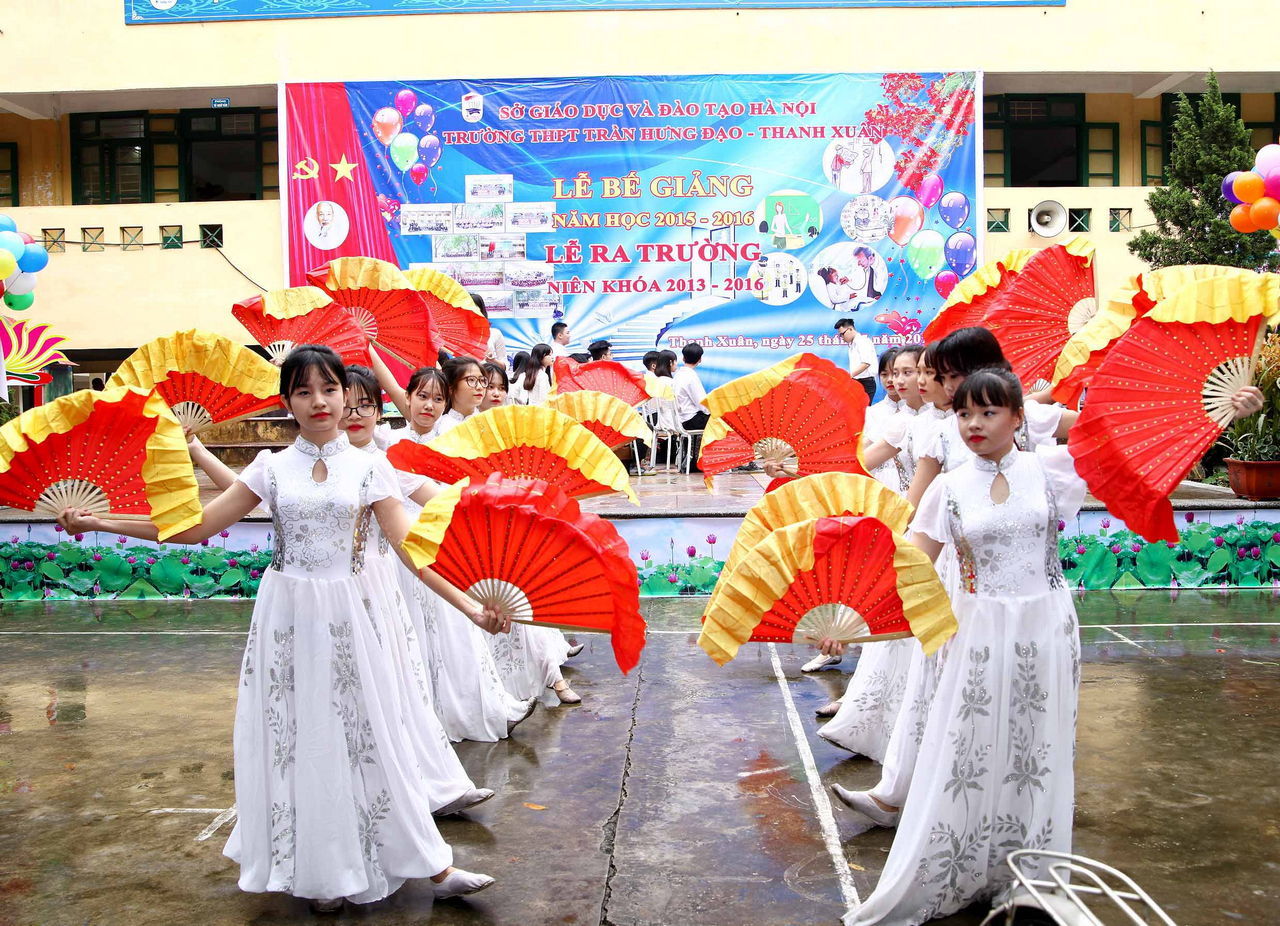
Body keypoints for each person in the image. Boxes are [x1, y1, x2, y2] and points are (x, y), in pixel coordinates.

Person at [57, 345, 500, 908]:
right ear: (287, 401)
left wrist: (470, 607)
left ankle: (434, 868)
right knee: (301, 738)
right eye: (303, 391)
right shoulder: (270, 466)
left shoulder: (371, 467)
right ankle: (321, 872)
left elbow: (413, 552)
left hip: (349, 620)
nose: (319, 402)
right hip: (286, 622)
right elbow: (196, 528)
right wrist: (99, 522)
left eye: (329, 389)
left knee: (370, 736)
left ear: (345, 394)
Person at [673, 343, 709, 471]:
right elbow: (702, 403)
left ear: (683, 358)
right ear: (700, 359)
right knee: (727, 421)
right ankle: (739, 461)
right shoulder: (691, 377)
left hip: (681, 419)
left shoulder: (678, 375)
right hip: (692, 420)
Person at [834, 318, 877, 400]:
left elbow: (866, 363)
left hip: (866, 383)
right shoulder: (852, 344)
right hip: (856, 382)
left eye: (842, 334)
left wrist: (849, 376)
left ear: (850, 329)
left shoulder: (862, 341)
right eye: (840, 335)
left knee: (864, 407)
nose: (841, 337)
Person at [471, 292, 507, 369]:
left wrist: (493, 360)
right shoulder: (459, 336)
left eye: (475, 309)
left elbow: (504, 365)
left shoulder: (495, 333)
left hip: (490, 375)